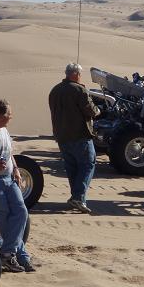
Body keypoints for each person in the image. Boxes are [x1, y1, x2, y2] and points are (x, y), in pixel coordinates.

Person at [0, 100, 35, 272]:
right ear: (0, 116)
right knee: (5, 218)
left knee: (21, 212)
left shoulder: (4, 131)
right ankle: (20, 257)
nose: (11, 117)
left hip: (10, 179)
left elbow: (9, 153)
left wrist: (15, 169)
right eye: (9, 114)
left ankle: (8, 254)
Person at [48, 63, 100, 214]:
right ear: (76, 74)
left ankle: (76, 197)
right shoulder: (79, 90)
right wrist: (98, 111)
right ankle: (78, 197)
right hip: (80, 135)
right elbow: (90, 110)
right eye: (80, 74)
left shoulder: (55, 90)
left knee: (72, 168)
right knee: (88, 164)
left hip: (62, 136)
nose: (80, 77)